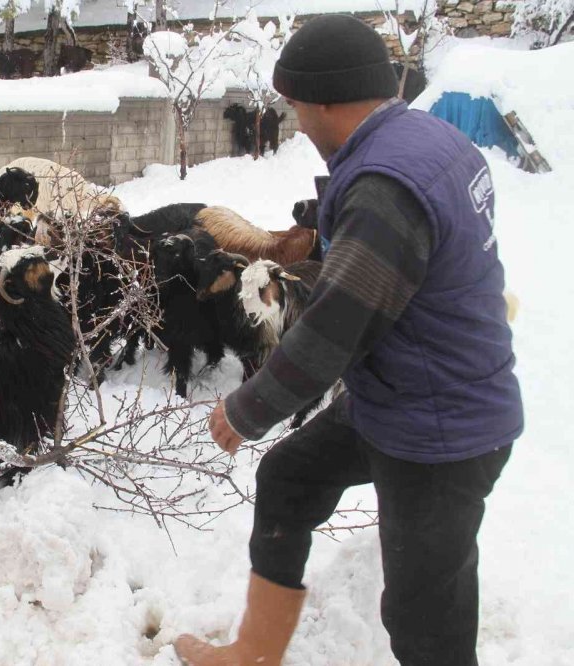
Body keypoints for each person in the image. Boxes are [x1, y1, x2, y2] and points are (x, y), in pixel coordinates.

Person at [174, 15, 522, 666]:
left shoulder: (386, 189)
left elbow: (338, 326)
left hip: (441, 433)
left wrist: (247, 409)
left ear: (328, 100)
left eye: (298, 107)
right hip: (404, 398)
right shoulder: (431, 141)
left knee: (427, 625)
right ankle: (255, 650)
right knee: (290, 477)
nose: (297, 124)